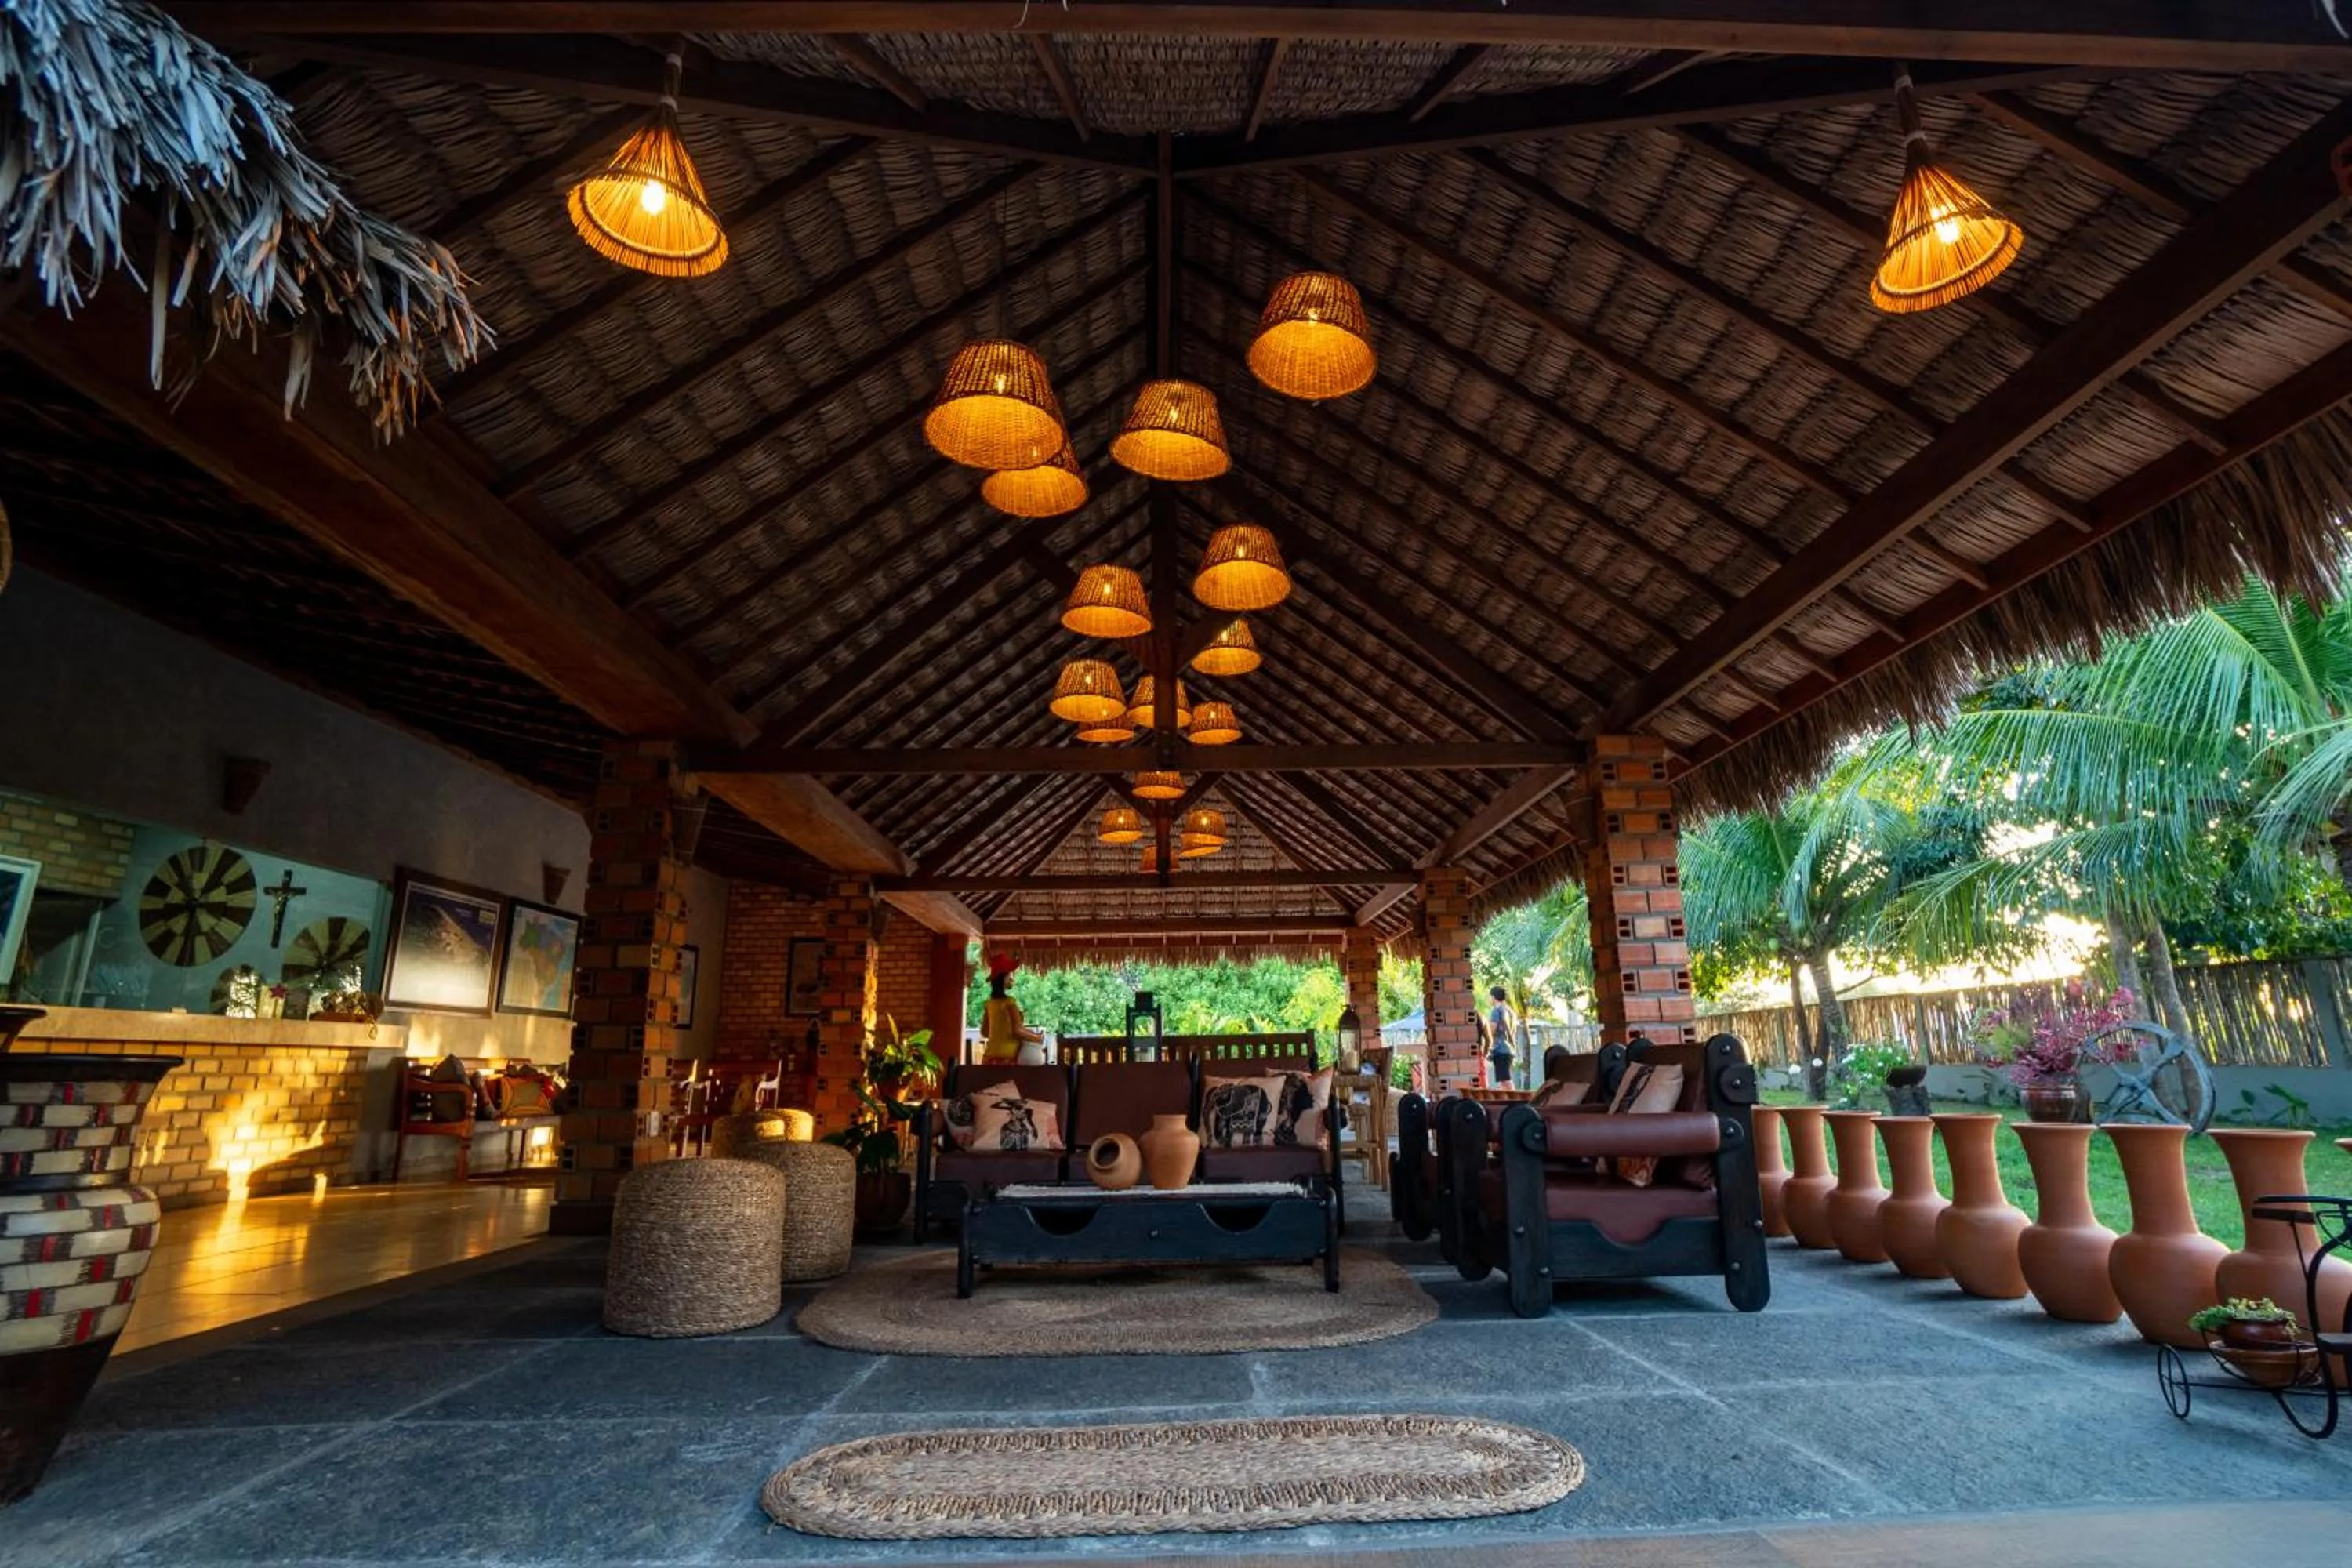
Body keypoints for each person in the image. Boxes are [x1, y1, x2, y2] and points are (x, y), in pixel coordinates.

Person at [978, 952, 1044, 1066]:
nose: (1012, 978)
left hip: (989, 1058)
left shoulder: (989, 1004)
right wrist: (1037, 1038)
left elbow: (984, 1032)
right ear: (1003, 978)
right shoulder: (1009, 1002)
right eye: (1010, 975)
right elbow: (1017, 1030)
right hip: (1008, 1058)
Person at [1486, 985, 1518, 1088]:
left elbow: (1491, 1030)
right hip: (1508, 1049)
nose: (1489, 999)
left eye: (1490, 996)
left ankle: (1518, 1103)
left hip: (1500, 1049)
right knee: (1503, 1081)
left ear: (1493, 997)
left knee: (1505, 1080)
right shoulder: (1509, 1011)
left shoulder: (1496, 1011)